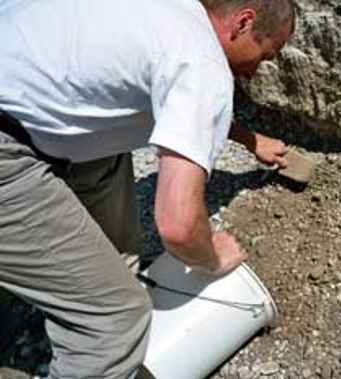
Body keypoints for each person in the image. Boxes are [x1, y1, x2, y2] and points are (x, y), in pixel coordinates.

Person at [0, 0, 296, 377]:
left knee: (106, 160)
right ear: (243, 23)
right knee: (113, 322)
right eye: (265, 55)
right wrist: (212, 257)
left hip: (20, 104)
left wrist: (248, 138)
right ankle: (104, 338)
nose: (256, 72)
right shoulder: (203, 61)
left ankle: (104, 284)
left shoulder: (166, 13)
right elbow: (179, 226)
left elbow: (164, 94)